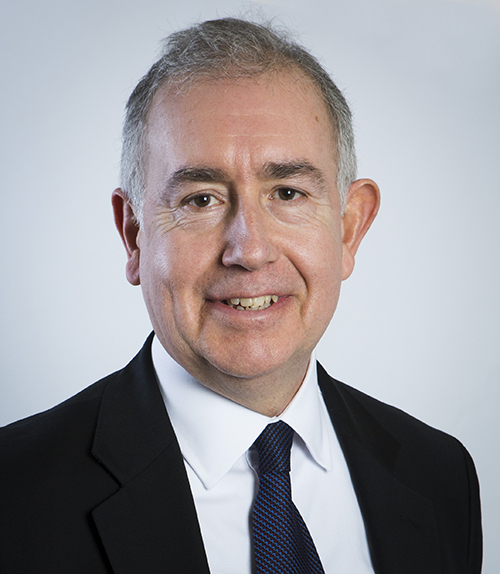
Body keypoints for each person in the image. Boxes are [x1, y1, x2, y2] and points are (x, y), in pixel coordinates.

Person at [0, 17, 481, 574]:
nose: (249, 250)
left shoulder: (439, 474)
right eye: (201, 199)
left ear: (349, 228)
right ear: (134, 234)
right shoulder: (14, 497)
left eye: (287, 193)